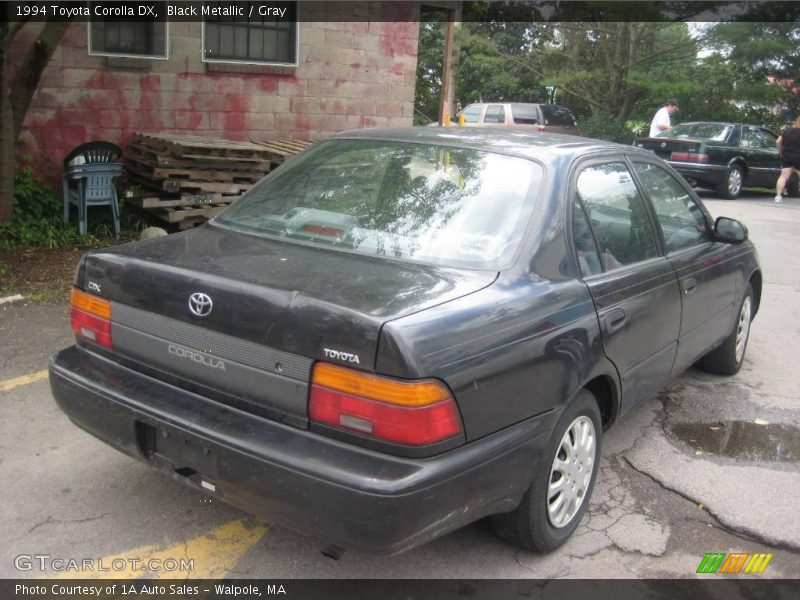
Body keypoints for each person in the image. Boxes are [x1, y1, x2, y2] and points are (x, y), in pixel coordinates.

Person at [774, 115, 800, 203]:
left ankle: (778, 196)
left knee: (783, 177)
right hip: (798, 157)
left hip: (787, 156)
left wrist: (780, 150)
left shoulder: (787, 131)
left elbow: (778, 141)